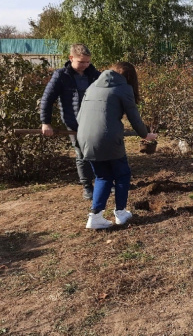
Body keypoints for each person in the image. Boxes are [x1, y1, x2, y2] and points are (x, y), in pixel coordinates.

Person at [76, 61, 157, 229]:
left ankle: (95, 216)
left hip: (84, 137)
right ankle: (120, 213)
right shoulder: (124, 88)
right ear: (129, 76)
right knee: (122, 174)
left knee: (103, 176)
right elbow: (134, 117)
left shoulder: (92, 87)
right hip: (107, 137)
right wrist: (146, 134)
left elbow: (80, 115)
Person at [41, 44, 100, 200]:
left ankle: (104, 182)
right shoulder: (61, 75)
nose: (85, 65)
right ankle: (87, 186)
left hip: (94, 121)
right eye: (81, 62)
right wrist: (45, 122)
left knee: (99, 151)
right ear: (71, 58)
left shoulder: (94, 75)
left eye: (87, 62)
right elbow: (47, 99)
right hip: (74, 123)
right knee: (81, 154)